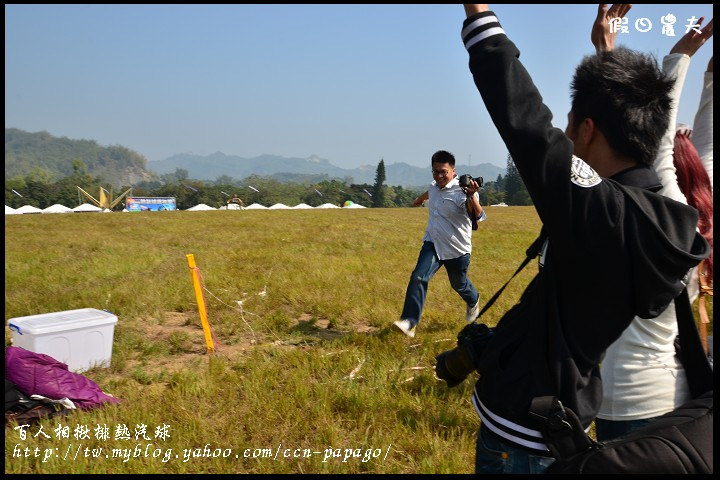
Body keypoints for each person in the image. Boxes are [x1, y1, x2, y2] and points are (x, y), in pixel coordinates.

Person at [454, 4, 709, 473]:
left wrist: (480, 14)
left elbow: (525, 121)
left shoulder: (597, 210)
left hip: (520, 439)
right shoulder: (666, 219)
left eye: (571, 126)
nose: (564, 136)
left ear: (588, 130)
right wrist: (606, 56)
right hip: (562, 417)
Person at [595, 12, 713, 441]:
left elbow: (660, 144)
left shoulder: (655, 209)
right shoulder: (697, 219)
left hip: (627, 404)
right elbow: (698, 148)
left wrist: (678, 58)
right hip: (684, 396)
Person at [393, 150, 486, 338]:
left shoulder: (463, 192)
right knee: (418, 277)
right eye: (435, 171)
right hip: (433, 244)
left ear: (453, 171)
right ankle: (409, 322)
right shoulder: (434, 186)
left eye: (443, 171)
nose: (439, 176)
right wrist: (419, 200)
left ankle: (473, 299)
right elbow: (430, 192)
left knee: (458, 284)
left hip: (457, 249)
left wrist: (471, 196)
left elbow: (479, 216)